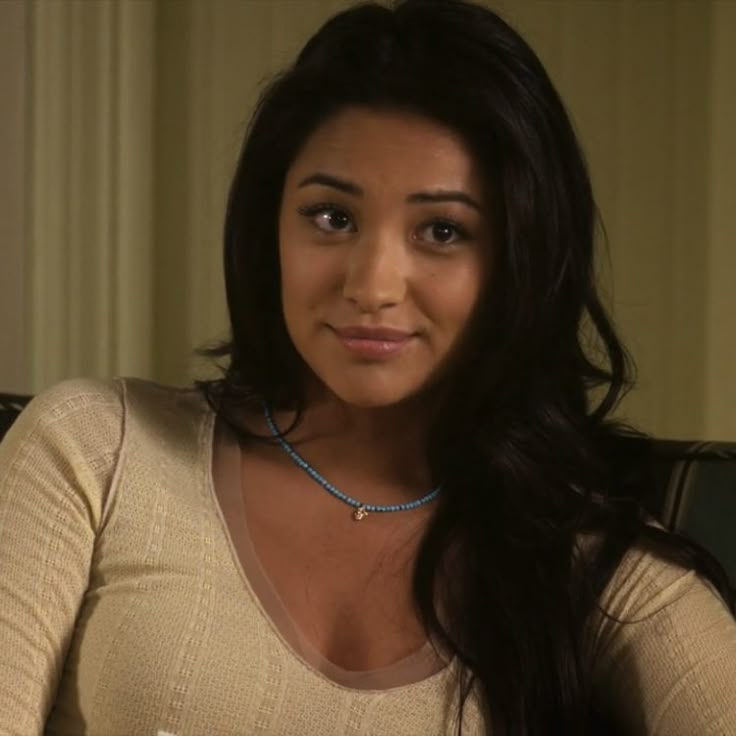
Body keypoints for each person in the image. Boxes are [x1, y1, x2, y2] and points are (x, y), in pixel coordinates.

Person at [1, 0, 734, 733]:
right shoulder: (93, 452)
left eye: (443, 231)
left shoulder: (593, 568)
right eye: (332, 217)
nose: (373, 285)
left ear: (520, 261)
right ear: (269, 230)